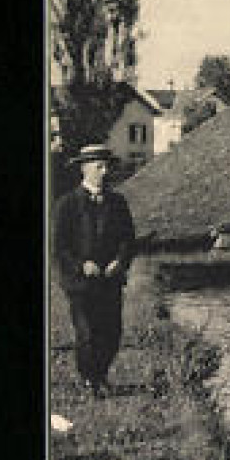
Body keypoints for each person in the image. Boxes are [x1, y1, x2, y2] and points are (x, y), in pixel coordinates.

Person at [52, 144, 136, 398]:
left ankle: (100, 375)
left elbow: (128, 239)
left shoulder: (118, 202)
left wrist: (120, 261)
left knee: (111, 332)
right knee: (87, 332)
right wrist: (81, 265)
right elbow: (59, 247)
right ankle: (90, 381)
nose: (105, 171)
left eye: (107, 165)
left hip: (110, 280)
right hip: (80, 283)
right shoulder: (67, 204)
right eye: (99, 166)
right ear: (84, 169)